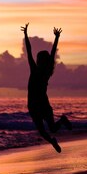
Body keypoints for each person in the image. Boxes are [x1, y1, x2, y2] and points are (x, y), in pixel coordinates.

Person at [21, 22, 72, 152]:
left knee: (52, 128)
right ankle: (52, 141)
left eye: (40, 59)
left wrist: (56, 38)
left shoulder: (44, 72)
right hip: (33, 105)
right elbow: (29, 51)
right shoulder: (36, 70)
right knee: (43, 131)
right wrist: (25, 35)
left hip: (41, 104)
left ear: (42, 61)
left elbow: (51, 52)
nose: (38, 61)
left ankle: (63, 121)